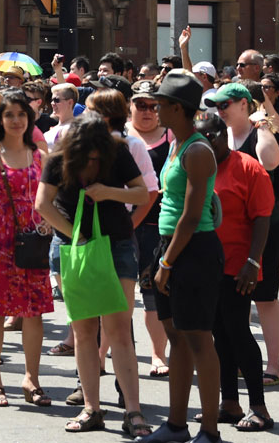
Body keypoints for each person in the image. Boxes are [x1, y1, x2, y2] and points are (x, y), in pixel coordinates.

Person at [36, 114, 149, 436]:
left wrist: (110, 192)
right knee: (84, 332)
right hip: (76, 250)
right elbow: (43, 204)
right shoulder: (58, 160)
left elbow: (143, 194)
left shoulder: (118, 152)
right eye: (88, 155)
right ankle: (92, 409)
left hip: (117, 247)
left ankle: (134, 412)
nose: (94, 160)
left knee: (119, 330)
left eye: (98, 154)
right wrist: (77, 236)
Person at [144, 69, 222, 443]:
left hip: (193, 250)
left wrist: (166, 262)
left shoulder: (198, 149)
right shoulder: (177, 144)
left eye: (160, 104)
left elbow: (192, 216)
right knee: (177, 336)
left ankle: (209, 430)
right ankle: (176, 425)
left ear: (177, 108)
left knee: (199, 339)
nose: (155, 109)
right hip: (171, 246)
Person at [193, 112, 276, 432]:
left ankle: (259, 407)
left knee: (239, 333)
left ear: (223, 135)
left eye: (214, 136)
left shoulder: (248, 167)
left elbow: (263, 218)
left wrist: (253, 263)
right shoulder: (198, 168)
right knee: (219, 336)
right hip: (206, 265)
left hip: (238, 266)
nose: (209, 143)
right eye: (202, 139)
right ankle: (229, 402)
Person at [0, 88, 53, 408]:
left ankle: (31, 378)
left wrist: (48, 223)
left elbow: (49, 200)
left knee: (34, 313)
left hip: (32, 242)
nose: (16, 120)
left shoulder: (40, 156)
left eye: (22, 114)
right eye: (10, 115)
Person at [127, 79, 173, 378]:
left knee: (154, 294)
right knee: (115, 295)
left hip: (159, 227)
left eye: (152, 106)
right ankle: (104, 355)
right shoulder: (120, 137)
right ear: (130, 108)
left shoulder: (172, 138)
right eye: (140, 105)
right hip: (121, 226)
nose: (146, 111)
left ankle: (158, 354)